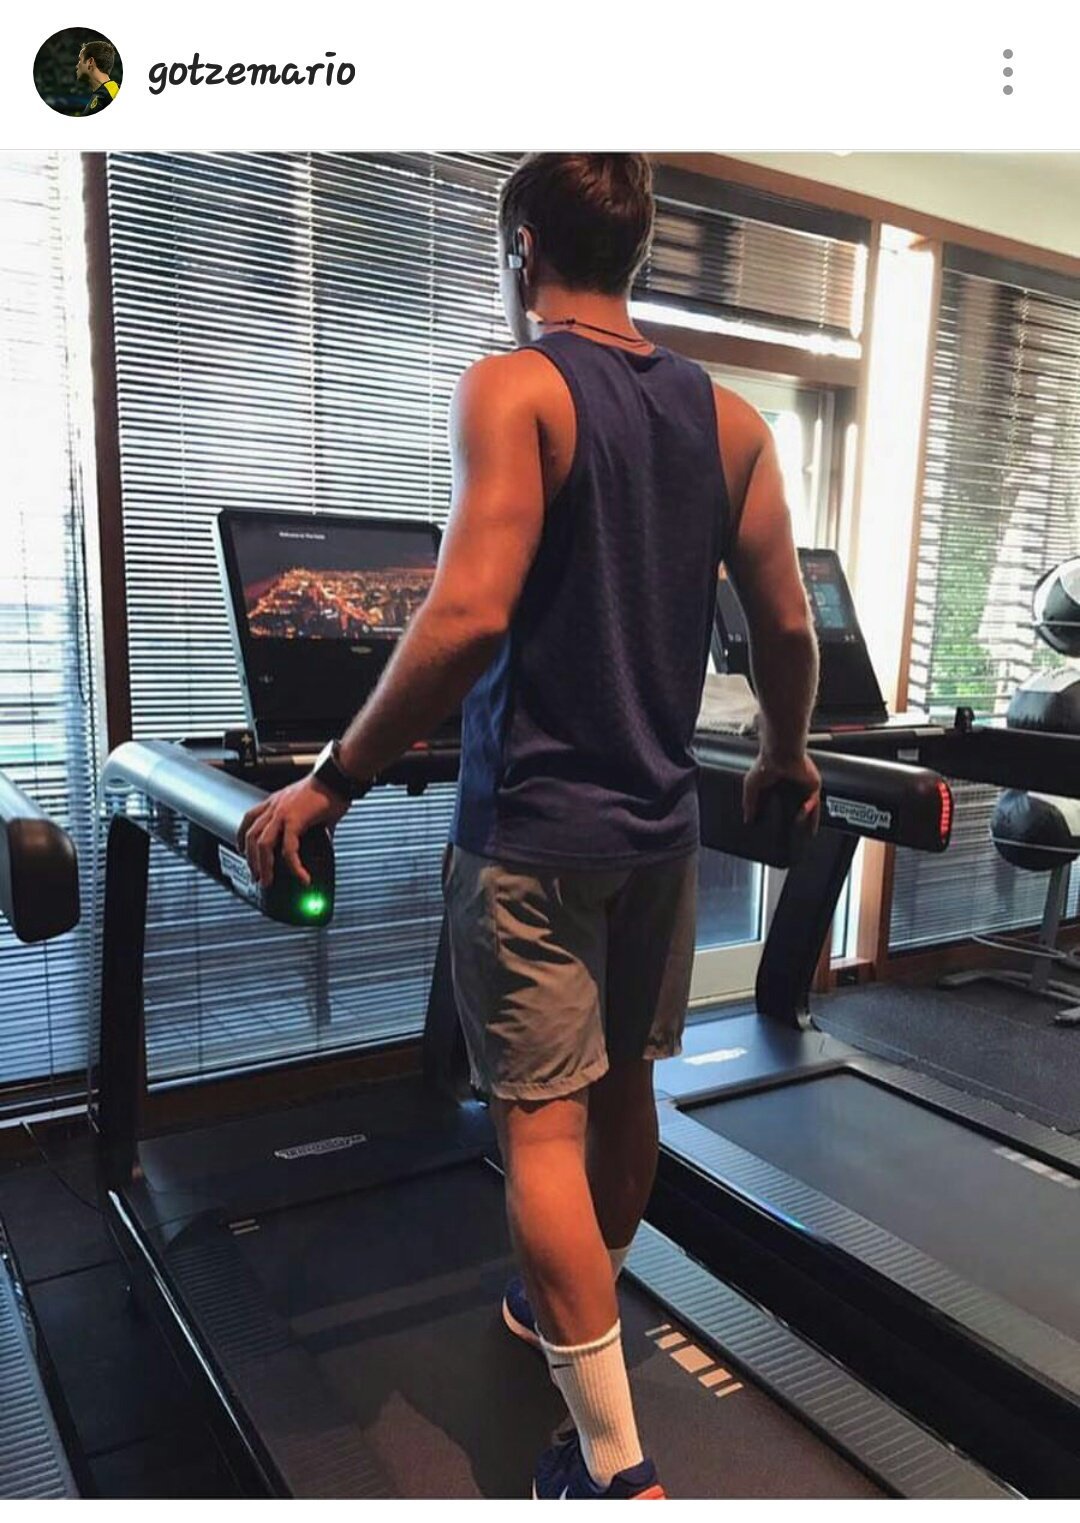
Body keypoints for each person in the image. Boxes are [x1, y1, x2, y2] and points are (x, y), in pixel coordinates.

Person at [241, 153, 821, 1500]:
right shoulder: (734, 420)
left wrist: (332, 776)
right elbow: (788, 624)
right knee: (625, 1094)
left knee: (542, 1134)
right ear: (640, 252)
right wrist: (786, 750)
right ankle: (566, 1301)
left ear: (522, 250)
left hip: (532, 836)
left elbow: (464, 615)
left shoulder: (514, 387)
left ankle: (613, 1464)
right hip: (658, 833)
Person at [76, 40, 119, 115]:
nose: (76, 66)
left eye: (79, 60)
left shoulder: (113, 93)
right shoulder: (102, 95)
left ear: (90, 62)